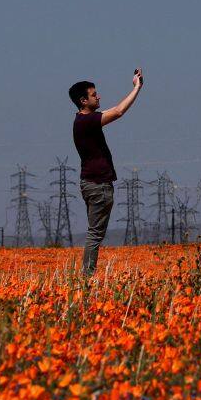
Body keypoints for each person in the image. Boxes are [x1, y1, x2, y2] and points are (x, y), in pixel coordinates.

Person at [69, 69, 143, 277]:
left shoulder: (82, 121)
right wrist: (137, 87)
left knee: (95, 232)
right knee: (95, 234)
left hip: (91, 183)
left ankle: (87, 275)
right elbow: (118, 111)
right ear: (83, 101)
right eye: (94, 94)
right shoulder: (87, 121)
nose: (98, 96)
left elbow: (113, 110)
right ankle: (87, 277)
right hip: (98, 185)